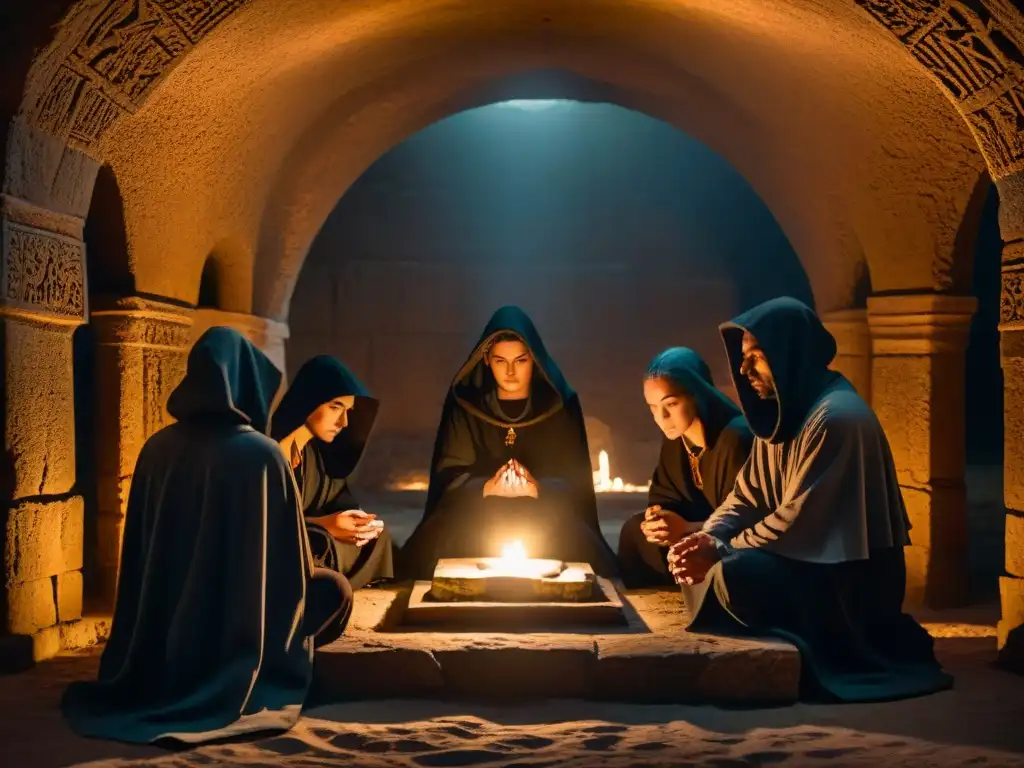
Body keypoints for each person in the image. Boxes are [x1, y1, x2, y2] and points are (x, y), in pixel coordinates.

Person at [62, 327, 353, 745]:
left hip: (164, 620)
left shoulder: (156, 448)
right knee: (334, 590)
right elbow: (289, 566)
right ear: (247, 382)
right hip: (241, 618)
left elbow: (142, 557)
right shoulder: (263, 455)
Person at [667, 297, 953, 702]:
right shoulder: (783, 414)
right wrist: (707, 537)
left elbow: (797, 521)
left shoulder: (836, 417)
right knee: (703, 566)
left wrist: (717, 550)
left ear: (789, 354)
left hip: (844, 580)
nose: (744, 369)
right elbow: (745, 497)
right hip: (801, 560)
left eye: (757, 357)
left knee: (733, 576)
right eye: (744, 358)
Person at [400, 305, 617, 579]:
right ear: (487, 360)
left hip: (546, 512)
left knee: (571, 536)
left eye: (521, 361)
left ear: (534, 360)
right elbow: (448, 476)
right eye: (501, 361)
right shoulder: (465, 404)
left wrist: (536, 488)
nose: (510, 371)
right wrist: (487, 487)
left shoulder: (560, 404)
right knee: (448, 536)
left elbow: (575, 481)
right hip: (477, 512)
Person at [617, 347, 753, 588]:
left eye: (671, 404)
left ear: (696, 394)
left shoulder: (735, 439)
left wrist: (687, 528)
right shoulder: (677, 439)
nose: (662, 417)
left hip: (726, 542)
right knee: (634, 533)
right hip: (688, 533)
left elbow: (746, 520)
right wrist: (657, 520)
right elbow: (664, 496)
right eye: (653, 408)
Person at [270, 355, 394, 589]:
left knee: (378, 537)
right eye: (336, 407)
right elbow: (264, 523)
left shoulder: (314, 453)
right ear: (309, 400)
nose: (344, 422)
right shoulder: (269, 452)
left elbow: (336, 498)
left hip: (313, 535)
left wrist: (358, 522)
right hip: (281, 542)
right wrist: (325, 524)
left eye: (348, 410)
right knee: (319, 543)